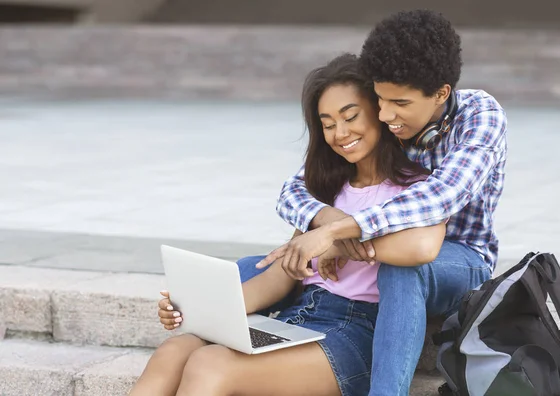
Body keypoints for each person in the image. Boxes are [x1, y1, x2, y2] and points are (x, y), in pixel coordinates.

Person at [129, 53, 447, 396]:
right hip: (299, 318)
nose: (340, 133)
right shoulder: (326, 191)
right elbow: (281, 275)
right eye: (327, 124)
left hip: (355, 333)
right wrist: (197, 311)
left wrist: (336, 242)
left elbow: (421, 250)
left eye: (350, 116)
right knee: (175, 350)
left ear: (379, 112)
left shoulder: (417, 190)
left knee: (210, 364)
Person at [243, 9, 508, 396]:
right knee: (260, 265)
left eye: (398, 103)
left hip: (458, 259)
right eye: (380, 100)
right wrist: (330, 223)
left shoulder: (480, 118)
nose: (385, 115)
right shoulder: (388, 115)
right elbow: (294, 190)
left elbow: (437, 198)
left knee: (404, 271)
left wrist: (335, 235)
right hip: (385, 245)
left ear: (440, 94)